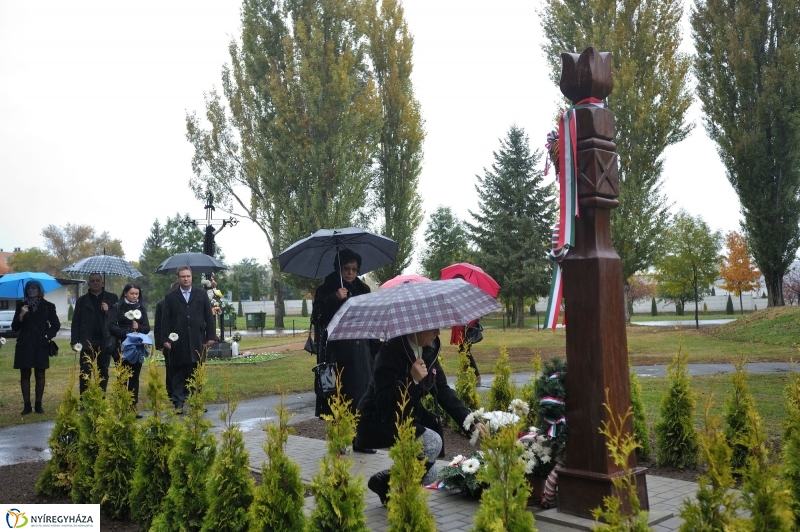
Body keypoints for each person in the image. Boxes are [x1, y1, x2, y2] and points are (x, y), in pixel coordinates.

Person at [355, 328, 485, 505]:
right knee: (433, 442)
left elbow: (444, 392)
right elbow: (384, 401)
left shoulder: (429, 351)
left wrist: (470, 421)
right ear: (417, 329)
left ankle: (384, 482)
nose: (438, 332)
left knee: (430, 474)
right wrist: (411, 379)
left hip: (406, 417)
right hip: (378, 418)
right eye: (433, 328)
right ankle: (403, 503)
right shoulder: (389, 352)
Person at [313, 249, 379, 452]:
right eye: (346, 269)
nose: (350, 273)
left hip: (360, 349)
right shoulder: (325, 289)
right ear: (338, 268)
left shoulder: (363, 289)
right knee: (339, 395)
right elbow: (318, 318)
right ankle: (339, 439)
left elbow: (370, 320)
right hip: (337, 351)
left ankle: (362, 440)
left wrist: (375, 349)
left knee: (363, 395)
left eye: (354, 269)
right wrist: (334, 298)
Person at [160, 266, 216, 413]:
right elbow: (165, 319)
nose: (186, 279)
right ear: (178, 278)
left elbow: (208, 317)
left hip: (197, 339)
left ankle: (196, 401)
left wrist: (210, 336)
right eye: (183, 276)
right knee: (178, 372)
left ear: (192, 277)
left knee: (196, 372)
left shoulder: (201, 294)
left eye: (188, 276)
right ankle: (178, 403)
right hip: (178, 341)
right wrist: (165, 339)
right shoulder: (170, 297)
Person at [11, 280, 60, 415]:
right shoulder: (21, 306)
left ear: (39, 290)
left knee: (40, 374)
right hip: (24, 344)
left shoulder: (47, 306)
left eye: (34, 288)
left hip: (40, 344)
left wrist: (47, 336)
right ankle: (27, 406)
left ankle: (38, 404)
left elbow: (56, 325)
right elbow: (15, 327)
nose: (31, 290)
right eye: (29, 288)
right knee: (25, 374)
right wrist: (21, 314)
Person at [71, 273, 119, 394]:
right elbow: (76, 322)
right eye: (92, 281)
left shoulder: (112, 298)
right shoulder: (82, 301)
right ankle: (84, 398)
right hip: (87, 340)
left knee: (103, 370)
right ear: (89, 284)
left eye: (98, 280)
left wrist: (109, 310)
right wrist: (74, 341)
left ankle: (100, 396)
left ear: (102, 283)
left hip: (105, 340)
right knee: (85, 370)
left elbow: (118, 318)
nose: (95, 283)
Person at [107, 283, 150, 415]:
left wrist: (138, 328)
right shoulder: (117, 307)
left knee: (134, 377)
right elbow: (111, 326)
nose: (134, 296)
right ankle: (121, 405)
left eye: (137, 294)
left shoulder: (141, 308)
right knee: (122, 377)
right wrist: (127, 332)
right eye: (132, 293)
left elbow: (147, 328)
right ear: (125, 293)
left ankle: (132, 407)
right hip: (122, 346)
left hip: (137, 347)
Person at [154, 281, 180, 399]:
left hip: (183, 341)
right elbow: (158, 325)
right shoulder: (162, 304)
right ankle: (171, 390)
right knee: (170, 367)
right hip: (168, 341)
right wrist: (159, 343)